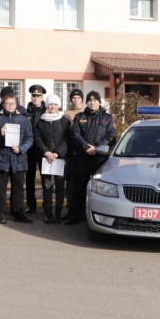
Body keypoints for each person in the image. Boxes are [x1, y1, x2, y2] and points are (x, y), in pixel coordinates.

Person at [66, 90, 116, 225]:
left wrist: (96, 147)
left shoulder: (107, 118)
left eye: (95, 100)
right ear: (87, 102)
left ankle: (100, 216)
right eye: (90, 100)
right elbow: (75, 134)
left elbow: (111, 136)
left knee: (100, 189)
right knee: (79, 188)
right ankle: (75, 216)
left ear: (99, 102)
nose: (92, 103)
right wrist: (85, 147)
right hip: (82, 157)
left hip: (99, 159)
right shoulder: (80, 117)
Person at [0, 93, 34, 224]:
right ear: (3, 104)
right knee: (1, 188)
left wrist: (21, 149)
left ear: (16, 104)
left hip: (18, 158)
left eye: (12, 103)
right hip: (1, 158)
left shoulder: (23, 119)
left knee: (18, 188)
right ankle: (1, 212)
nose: (9, 106)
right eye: (7, 103)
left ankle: (18, 212)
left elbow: (29, 138)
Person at [34, 94, 70, 224]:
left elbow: (67, 139)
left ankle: (58, 213)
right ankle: (48, 213)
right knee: (47, 186)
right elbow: (37, 139)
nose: (53, 106)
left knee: (60, 186)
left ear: (58, 105)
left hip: (60, 159)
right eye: (50, 104)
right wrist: (46, 152)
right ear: (47, 105)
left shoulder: (64, 121)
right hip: (47, 159)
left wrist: (58, 153)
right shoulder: (41, 122)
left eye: (55, 104)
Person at [62, 88, 84, 220]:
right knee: (70, 183)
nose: (76, 100)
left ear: (82, 100)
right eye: (74, 98)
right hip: (69, 153)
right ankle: (70, 210)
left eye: (78, 98)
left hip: (82, 153)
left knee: (81, 184)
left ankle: (81, 211)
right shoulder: (65, 114)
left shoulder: (85, 113)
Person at [25, 84, 46, 214]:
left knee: (45, 179)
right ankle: (31, 205)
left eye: (38, 96)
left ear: (42, 97)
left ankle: (46, 204)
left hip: (43, 149)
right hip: (29, 150)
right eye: (34, 96)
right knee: (29, 179)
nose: (36, 98)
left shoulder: (46, 111)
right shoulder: (25, 111)